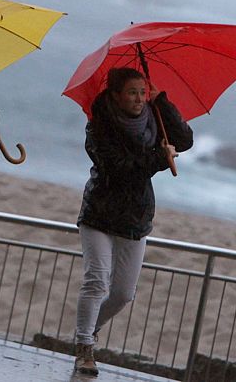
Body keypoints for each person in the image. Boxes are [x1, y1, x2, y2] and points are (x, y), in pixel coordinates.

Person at [73, 67, 193, 376]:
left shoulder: (154, 118)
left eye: (143, 92)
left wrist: (162, 101)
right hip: (100, 212)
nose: (139, 99)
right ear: (116, 95)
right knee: (96, 280)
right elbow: (119, 168)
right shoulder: (99, 125)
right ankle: (84, 346)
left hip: (135, 215)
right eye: (132, 93)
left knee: (124, 293)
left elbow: (185, 140)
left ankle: (89, 330)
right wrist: (159, 159)